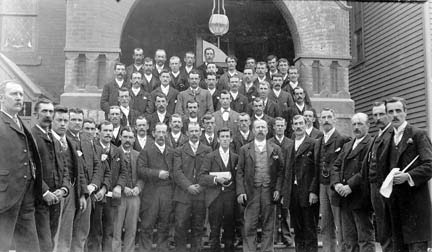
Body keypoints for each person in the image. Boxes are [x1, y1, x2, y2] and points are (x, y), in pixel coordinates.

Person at [0, 80, 43, 252]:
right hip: (4, 195)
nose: (19, 98)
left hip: (26, 195)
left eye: (21, 94)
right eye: (14, 94)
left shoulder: (22, 122)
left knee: (30, 246)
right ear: (1, 97)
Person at [384, 97, 432, 251]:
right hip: (397, 208)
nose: (395, 115)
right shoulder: (388, 139)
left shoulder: (418, 135)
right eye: (390, 112)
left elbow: (430, 165)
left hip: (416, 207)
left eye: (398, 111)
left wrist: (408, 176)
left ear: (406, 112)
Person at [236, 119, 284, 252]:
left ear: (268, 130)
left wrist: (278, 189)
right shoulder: (245, 149)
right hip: (252, 192)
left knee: (268, 224)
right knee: (249, 225)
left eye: (263, 127)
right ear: (253, 130)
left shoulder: (275, 148)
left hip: (269, 191)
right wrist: (240, 191)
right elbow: (239, 171)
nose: (261, 130)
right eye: (258, 128)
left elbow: (281, 171)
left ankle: (267, 250)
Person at [331, 113, 375, 252]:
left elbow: (365, 170)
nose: (356, 127)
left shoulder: (371, 144)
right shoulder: (348, 145)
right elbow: (335, 166)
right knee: (349, 240)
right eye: (354, 124)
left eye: (360, 124)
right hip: (345, 198)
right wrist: (337, 184)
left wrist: (350, 185)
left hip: (361, 198)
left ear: (368, 126)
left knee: (364, 239)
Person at [32, 99, 70, 252]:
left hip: (56, 200)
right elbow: (30, 168)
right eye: (44, 112)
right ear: (35, 115)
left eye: (50, 112)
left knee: (51, 242)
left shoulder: (54, 140)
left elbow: (64, 168)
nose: (48, 115)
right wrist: (45, 191)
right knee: (43, 243)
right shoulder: (31, 136)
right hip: (39, 201)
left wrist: (64, 189)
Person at [66, 108, 103, 252]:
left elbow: (97, 166)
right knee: (67, 232)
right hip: (71, 193)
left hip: (87, 193)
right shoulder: (65, 139)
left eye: (79, 120)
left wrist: (93, 186)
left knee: (82, 233)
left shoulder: (87, 140)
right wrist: (82, 190)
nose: (77, 123)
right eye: (73, 119)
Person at [52, 106, 87, 252]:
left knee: (66, 232)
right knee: (53, 233)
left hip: (70, 191)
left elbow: (78, 170)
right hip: (53, 192)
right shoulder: (47, 139)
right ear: (52, 121)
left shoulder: (71, 142)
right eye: (59, 120)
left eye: (65, 120)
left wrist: (81, 193)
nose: (63, 124)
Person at [282, 115, 319, 252]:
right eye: (295, 124)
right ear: (292, 127)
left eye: (301, 123)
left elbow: (317, 169)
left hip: (308, 192)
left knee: (310, 228)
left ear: (306, 125)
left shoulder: (313, 144)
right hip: (293, 192)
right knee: (298, 229)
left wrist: (313, 191)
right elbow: (286, 172)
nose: (298, 126)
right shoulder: (289, 146)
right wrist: (285, 194)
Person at [173, 122, 212, 252]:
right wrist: (188, 186)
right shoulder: (179, 150)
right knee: (180, 227)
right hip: (183, 196)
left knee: (198, 228)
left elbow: (208, 171)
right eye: (192, 131)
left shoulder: (207, 150)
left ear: (200, 133)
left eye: (196, 131)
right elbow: (177, 172)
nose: (194, 134)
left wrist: (200, 186)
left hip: (200, 196)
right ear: (187, 133)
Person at [199, 128, 239, 252]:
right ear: (218, 139)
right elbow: (201, 177)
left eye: (227, 136)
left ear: (231, 139)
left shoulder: (236, 157)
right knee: (215, 230)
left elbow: (239, 177)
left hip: (230, 198)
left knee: (229, 229)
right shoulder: (210, 156)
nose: (225, 139)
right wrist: (216, 179)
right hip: (215, 198)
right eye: (222, 137)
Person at [360, 101, 392, 252]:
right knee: (382, 228)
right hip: (374, 187)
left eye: (381, 114)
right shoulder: (377, 137)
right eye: (375, 115)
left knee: (389, 228)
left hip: (386, 188)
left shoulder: (392, 134)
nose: (378, 118)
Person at [316, 108, 350, 252]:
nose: (326, 120)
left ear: (334, 119)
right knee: (325, 223)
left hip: (335, 186)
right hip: (323, 186)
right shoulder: (318, 142)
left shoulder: (342, 139)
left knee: (339, 223)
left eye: (329, 117)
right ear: (320, 120)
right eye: (323, 117)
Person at [137, 123, 174, 252]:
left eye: (164, 133)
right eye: (159, 132)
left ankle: (162, 249)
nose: (161, 136)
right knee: (147, 225)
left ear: (167, 134)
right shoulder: (146, 150)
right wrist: (157, 173)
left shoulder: (171, 151)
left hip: (167, 193)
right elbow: (140, 170)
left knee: (164, 225)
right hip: (151, 193)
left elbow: (176, 171)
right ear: (153, 133)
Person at [88, 120, 124, 252]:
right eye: (105, 130)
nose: (108, 133)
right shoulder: (93, 148)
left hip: (111, 198)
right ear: (99, 132)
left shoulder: (117, 151)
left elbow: (123, 172)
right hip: (96, 196)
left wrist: (119, 186)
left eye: (110, 131)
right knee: (95, 232)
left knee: (109, 231)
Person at [113, 127, 143, 252]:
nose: (127, 140)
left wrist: (138, 188)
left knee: (132, 228)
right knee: (116, 228)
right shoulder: (114, 152)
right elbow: (112, 174)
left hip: (134, 197)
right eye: (125, 137)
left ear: (134, 139)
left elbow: (142, 175)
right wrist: (122, 187)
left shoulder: (138, 155)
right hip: (119, 196)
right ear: (120, 137)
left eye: (130, 137)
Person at [268, 117, 294, 247]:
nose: (279, 128)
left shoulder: (290, 143)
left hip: (287, 180)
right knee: (272, 212)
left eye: (281, 125)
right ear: (273, 127)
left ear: (285, 126)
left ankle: (286, 236)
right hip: (273, 182)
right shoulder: (269, 143)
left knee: (285, 211)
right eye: (277, 125)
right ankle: (272, 237)